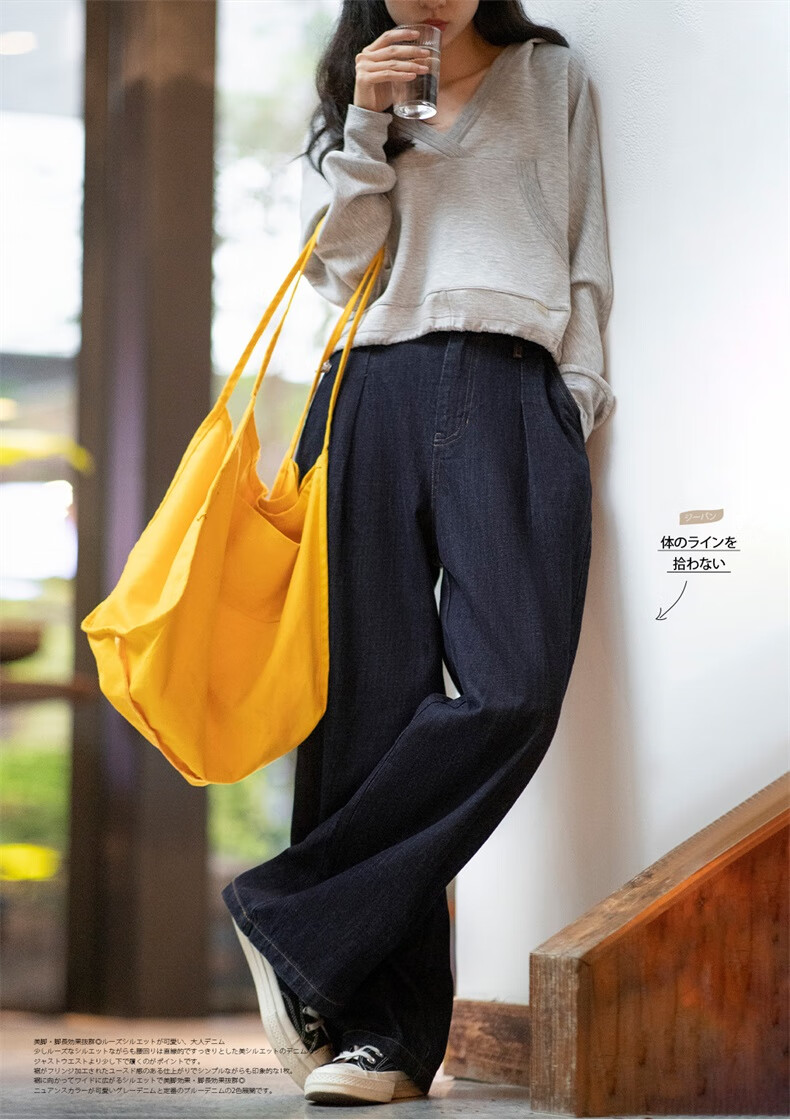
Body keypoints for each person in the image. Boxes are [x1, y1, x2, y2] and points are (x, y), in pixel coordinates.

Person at [221, 0, 614, 1106]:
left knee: (513, 686)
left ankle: (291, 908)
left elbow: (583, 248)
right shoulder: (355, 93)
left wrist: (573, 398)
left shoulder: (550, 79)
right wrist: (367, 125)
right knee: (365, 708)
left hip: (508, 386)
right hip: (372, 392)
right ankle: (381, 1041)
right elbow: (336, 270)